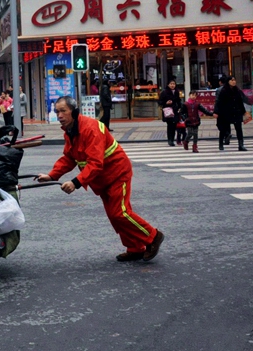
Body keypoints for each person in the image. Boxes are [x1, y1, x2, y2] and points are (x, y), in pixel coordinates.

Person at [35, 96, 164, 262]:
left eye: (63, 111)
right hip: (101, 179)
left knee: (121, 213)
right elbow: (69, 158)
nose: (59, 115)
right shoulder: (71, 130)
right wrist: (52, 175)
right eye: (57, 111)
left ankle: (153, 236)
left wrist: (75, 183)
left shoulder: (90, 128)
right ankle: (135, 248)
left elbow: (95, 163)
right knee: (114, 216)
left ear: (73, 112)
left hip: (117, 173)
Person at [215, 75, 248, 151]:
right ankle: (221, 144)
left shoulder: (237, 90)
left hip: (236, 112)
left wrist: (244, 112)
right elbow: (219, 102)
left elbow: (240, 102)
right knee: (223, 129)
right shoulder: (224, 91)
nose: (234, 82)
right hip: (226, 112)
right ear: (228, 81)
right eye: (232, 80)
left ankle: (241, 145)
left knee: (239, 129)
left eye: (234, 80)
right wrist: (216, 112)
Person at [158, 78, 182, 147]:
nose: (172, 85)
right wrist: (166, 103)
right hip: (168, 111)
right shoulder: (164, 92)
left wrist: (180, 108)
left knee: (174, 126)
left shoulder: (176, 92)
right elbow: (160, 102)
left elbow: (178, 100)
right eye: (171, 84)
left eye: (173, 84)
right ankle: (170, 140)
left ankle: (172, 139)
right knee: (170, 125)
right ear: (168, 84)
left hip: (175, 110)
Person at [215, 76, 231, 145]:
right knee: (227, 123)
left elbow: (217, 101)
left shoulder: (219, 90)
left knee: (220, 124)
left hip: (221, 110)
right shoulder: (230, 88)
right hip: (228, 109)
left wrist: (215, 111)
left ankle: (226, 134)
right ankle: (227, 137)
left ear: (220, 82)